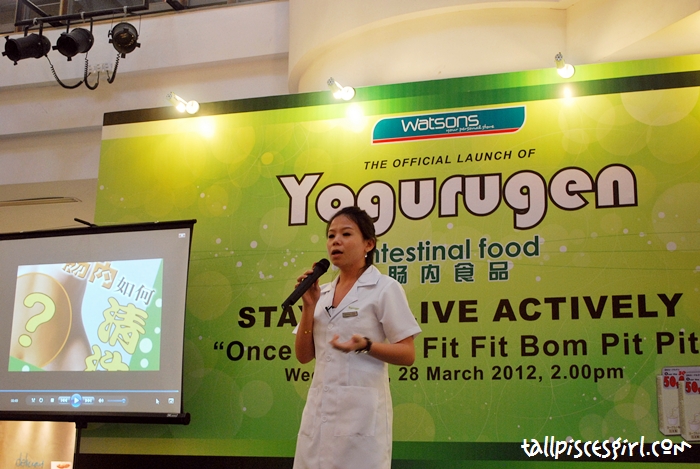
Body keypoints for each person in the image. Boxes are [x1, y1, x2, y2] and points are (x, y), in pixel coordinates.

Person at [293, 206, 422, 469]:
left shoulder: (384, 288)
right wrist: (308, 306)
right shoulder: (321, 293)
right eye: (331, 235)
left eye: (346, 234)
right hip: (319, 418)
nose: (335, 241)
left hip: (361, 421)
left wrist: (367, 346)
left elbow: (408, 354)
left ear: (368, 244)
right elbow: (304, 356)